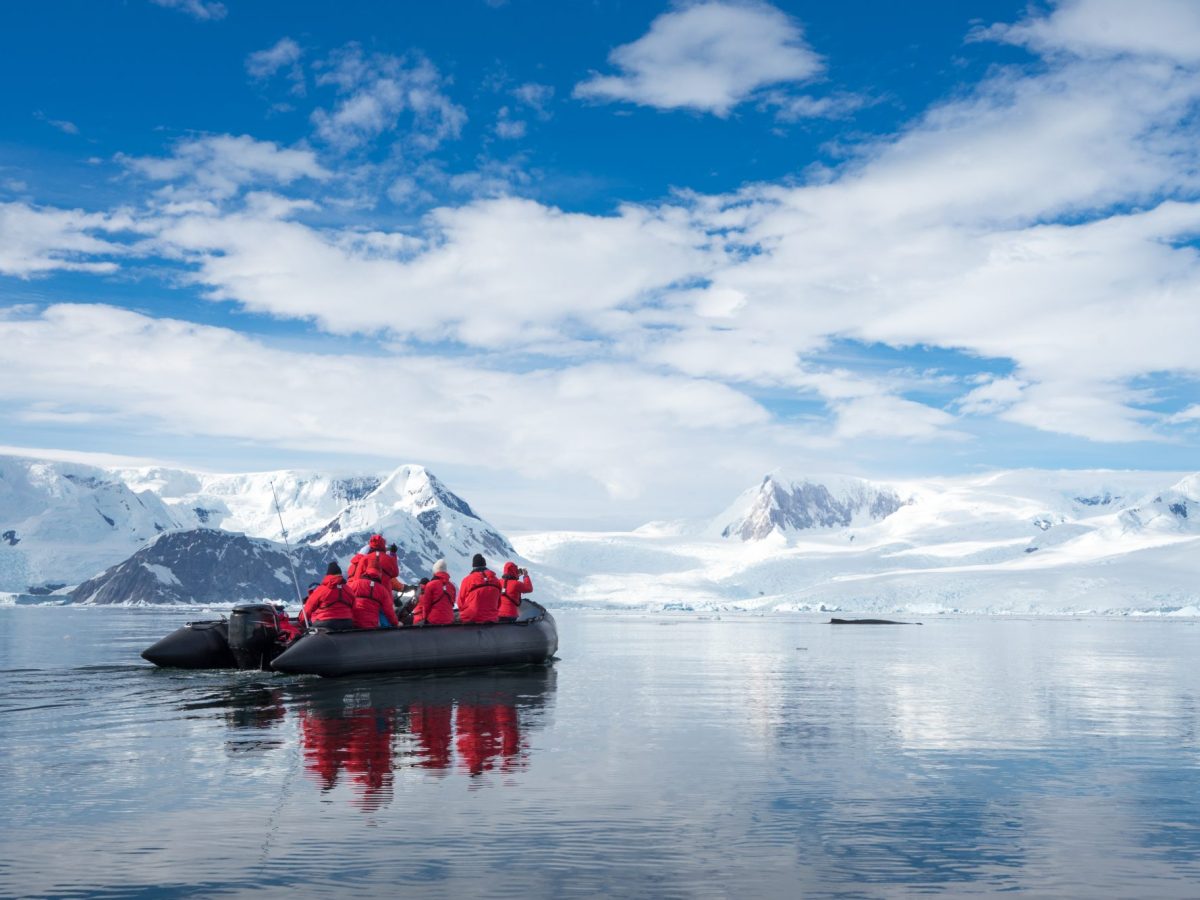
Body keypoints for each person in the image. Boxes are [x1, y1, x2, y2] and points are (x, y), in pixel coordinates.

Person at [347, 534, 401, 629]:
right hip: (385, 593)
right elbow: (395, 573)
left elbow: (357, 578)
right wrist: (393, 555)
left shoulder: (365, 559)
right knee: (386, 616)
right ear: (383, 545)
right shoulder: (389, 559)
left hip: (368, 596)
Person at [301, 562, 356, 631]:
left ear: (328, 575)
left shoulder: (321, 589)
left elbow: (308, 607)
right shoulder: (348, 589)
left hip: (326, 622)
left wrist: (302, 620)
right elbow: (354, 607)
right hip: (347, 622)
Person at [457, 553, 502, 624]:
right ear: (485, 564)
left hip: (473, 617)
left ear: (473, 565)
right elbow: (499, 603)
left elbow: (460, 603)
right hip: (493, 617)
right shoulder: (496, 580)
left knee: (454, 618)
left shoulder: (467, 580)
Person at [414, 559, 456, 626]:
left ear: (435, 571)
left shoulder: (430, 585)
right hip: (449, 619)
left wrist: (425, 619)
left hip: (434, 620)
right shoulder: (452, 587)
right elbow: (452, 603)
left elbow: (426, 605)